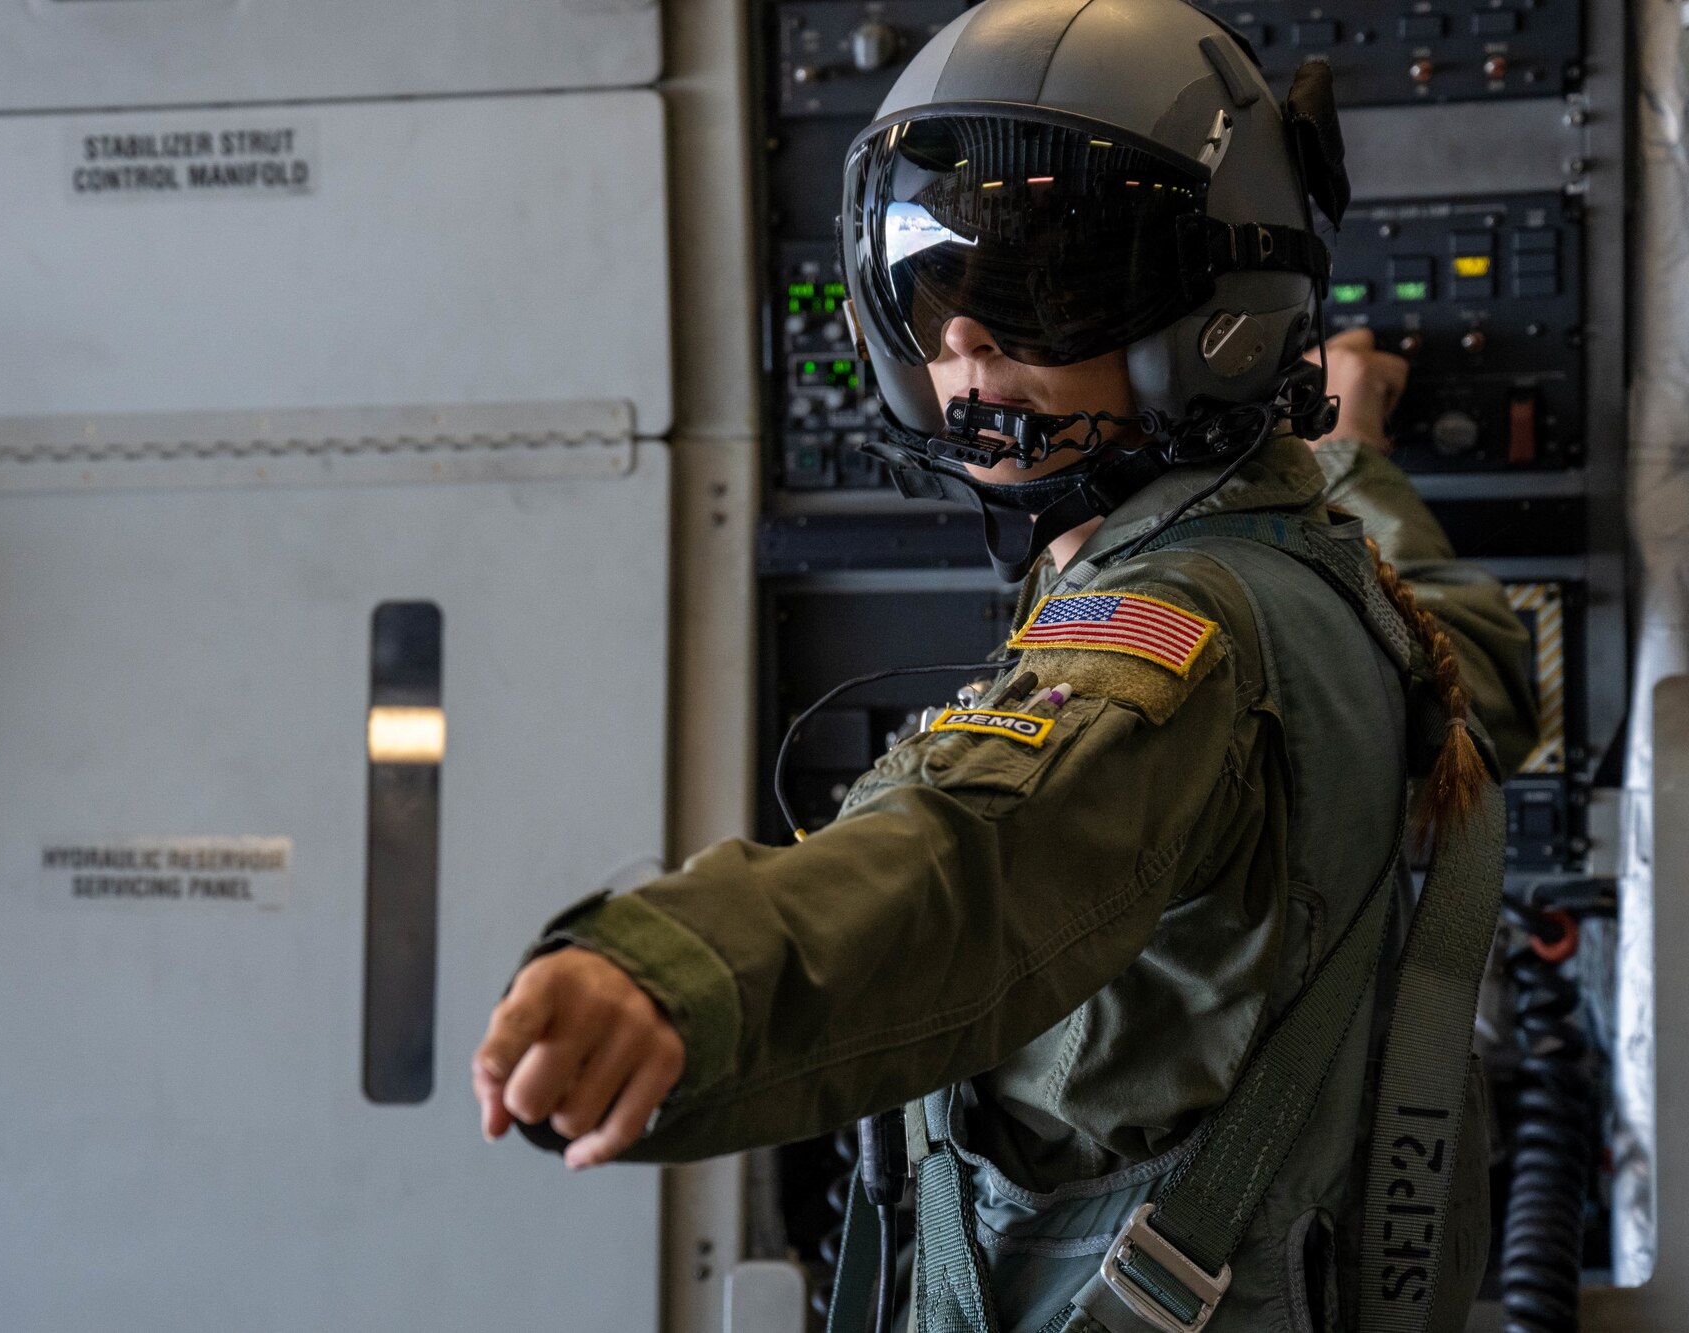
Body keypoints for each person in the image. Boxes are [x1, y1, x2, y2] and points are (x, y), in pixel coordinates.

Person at [473, 3, 1539, 1329]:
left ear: (1211, 312)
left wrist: (682, 971)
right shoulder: (1320, 573)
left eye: (1041, 291)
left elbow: (964, 856)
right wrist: (1356, 444)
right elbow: (1476, 647)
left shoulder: (1169, 651)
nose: (964, 341)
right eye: (931, 293)